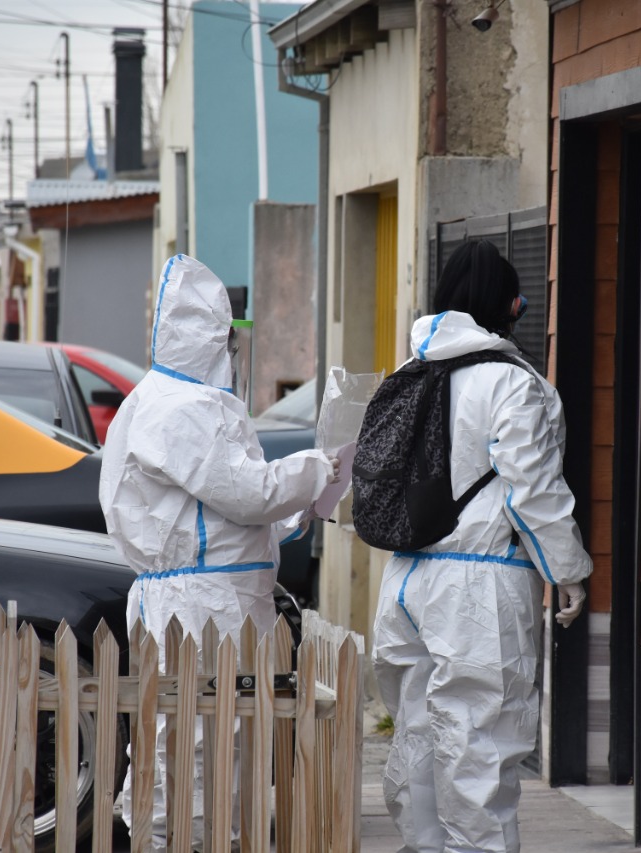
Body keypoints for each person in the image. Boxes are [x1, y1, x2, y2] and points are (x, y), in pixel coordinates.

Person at [99, 254, 338, 850]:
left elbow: (214, 517)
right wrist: (316, 471)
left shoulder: (154, 401)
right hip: (204, 606)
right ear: (208, 338)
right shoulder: (185, 409)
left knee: (181, 740)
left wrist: (290, 512)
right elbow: (245, 490)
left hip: (200, 594)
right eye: (227, 339)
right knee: (199, 746)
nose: (233, 353)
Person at [371, 240, 591, 853]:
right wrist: (567, 571)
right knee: (479, 750)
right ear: (508, 305)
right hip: (479, 588)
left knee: (417, 739)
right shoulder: (513, 385)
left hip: (406, 582)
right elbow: (534, 491)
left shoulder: (410, 374)